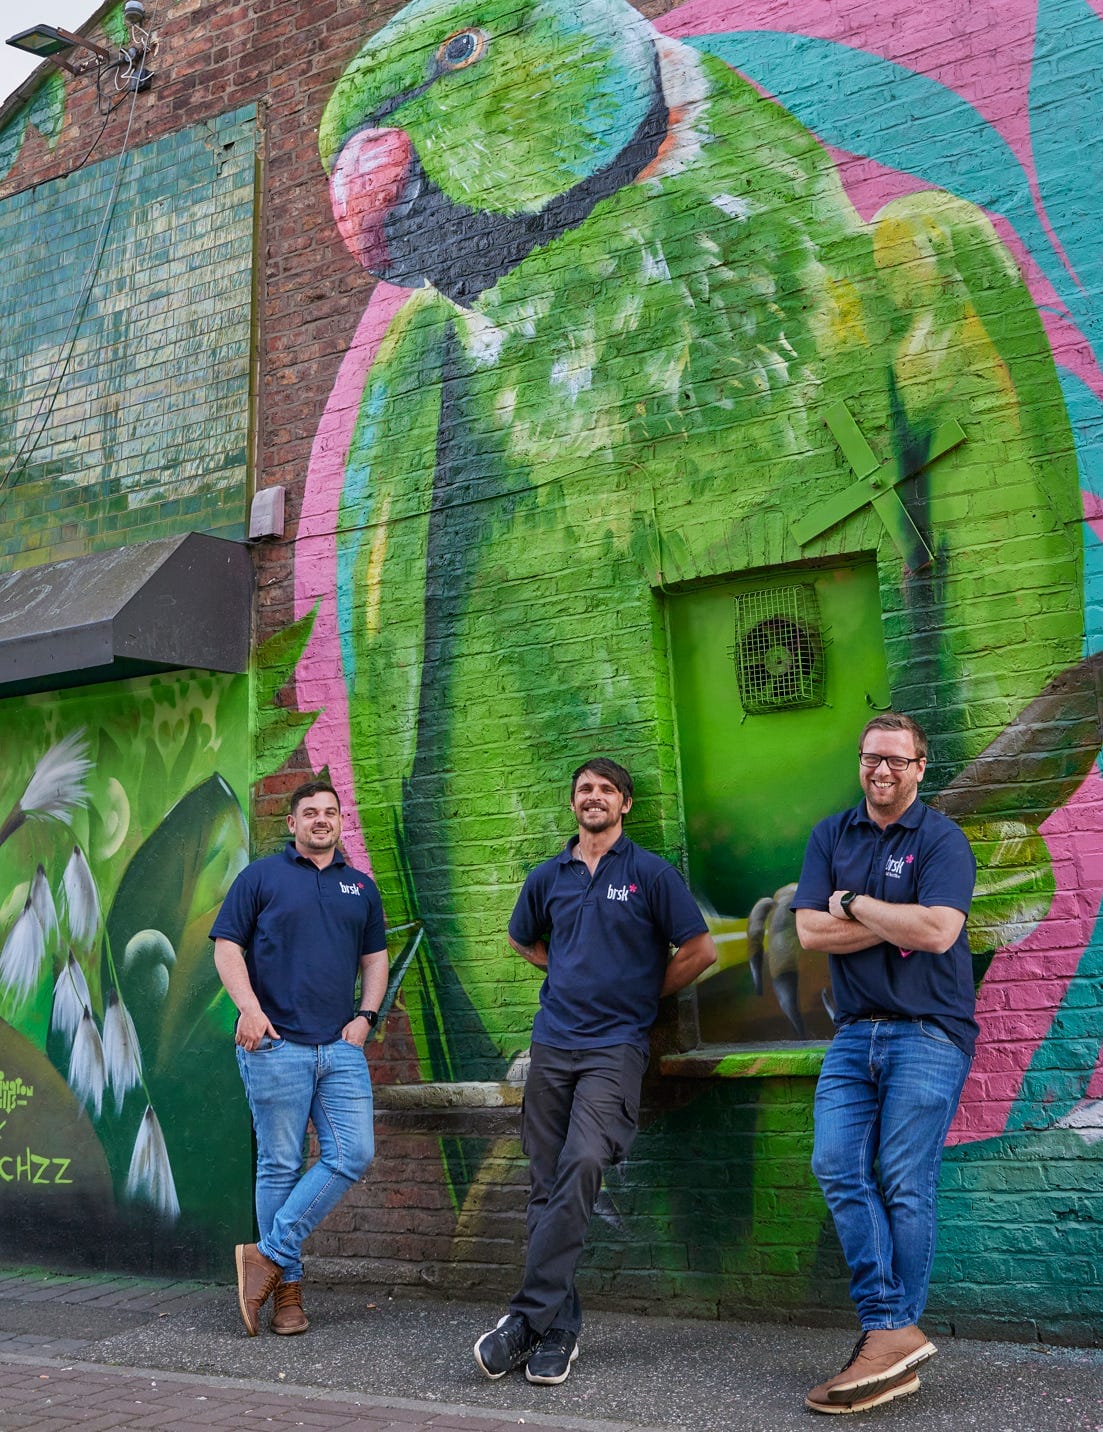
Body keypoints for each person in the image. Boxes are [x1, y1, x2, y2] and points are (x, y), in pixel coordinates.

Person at [474, 758, 717, 1386]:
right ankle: (559, 1329)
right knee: (544, 1185)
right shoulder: (548, 876)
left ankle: (525, 1318)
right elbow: (520, 937)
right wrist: (560, 974)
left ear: (625, 804)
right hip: (553, 1044)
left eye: (606, 790)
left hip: (615, 1048)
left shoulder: (649, 875)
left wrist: (644, 995)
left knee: (583, 1162)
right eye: (584, 789)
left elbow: (700, 949)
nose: (594, 797)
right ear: (573, 802)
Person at [791, 713, 977, 1414]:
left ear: (919, 768)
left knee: (903, 1181)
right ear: (860, 762)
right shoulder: (829, 836)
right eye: (873, 758)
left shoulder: (939, 839)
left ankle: (884, 1338)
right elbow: (809, 930)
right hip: (852, 1035)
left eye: (897, 761)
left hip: (928, 1033)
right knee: (836, 1167)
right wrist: (887, 916)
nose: (883, 771)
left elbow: (936, 931)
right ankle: (889, 1327)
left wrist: (855, 904)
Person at [211, 780, 388, 1337]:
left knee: (352, 1152)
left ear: (341, 822)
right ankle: (287, 1295)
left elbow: (375, 958)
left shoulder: (360, 887)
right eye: (309, 812)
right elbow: (226, 946)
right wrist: (248, 1008)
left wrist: (366, 1018)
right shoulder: (260, 877)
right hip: (275, 1046)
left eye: (329, 812)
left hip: (339, 1048)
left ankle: (265, 1254)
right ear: (292, 823)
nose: (320, 819)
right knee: (281, 1166)